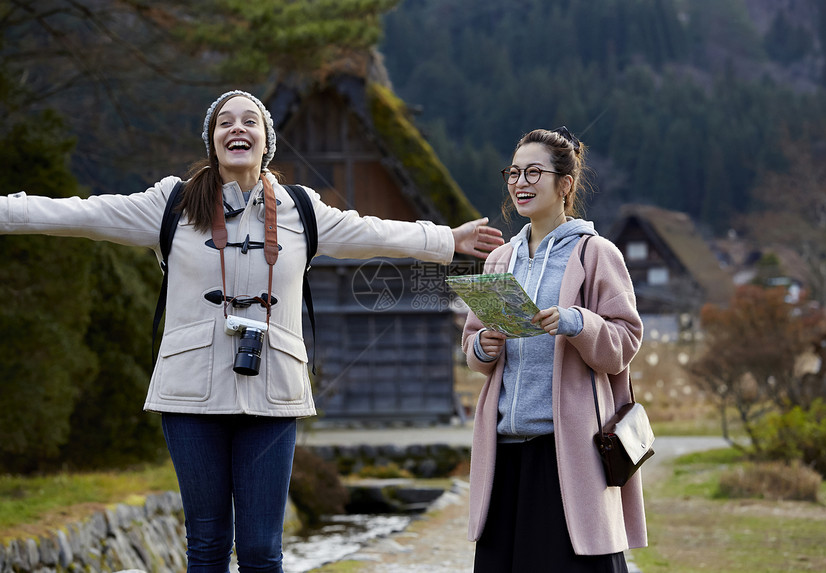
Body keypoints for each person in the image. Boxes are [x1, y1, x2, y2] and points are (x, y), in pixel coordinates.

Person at [0, 90, 504, 572]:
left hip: (273, 392)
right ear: (212, 142)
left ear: (266, 141)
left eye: (249, 121)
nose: (236, 128)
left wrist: (445, 238)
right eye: (225, 121)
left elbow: (370, 230)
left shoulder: (302, 209)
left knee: (262, 548)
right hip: (189, 395)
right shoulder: (170, 205)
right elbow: (79, 212)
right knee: (207, 541)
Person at [461, 127, 646, 572]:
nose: (519, 182)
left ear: (565, 185)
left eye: (533, 172)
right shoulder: (500, 260)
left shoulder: (596, 254)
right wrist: (482, 347)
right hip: (504, 449)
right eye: (514, 173)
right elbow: (470, 344)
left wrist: (576, 321)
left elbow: (625, 342)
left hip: (567, 453)